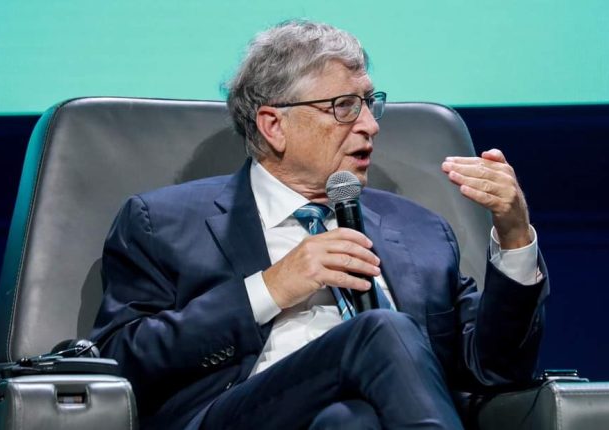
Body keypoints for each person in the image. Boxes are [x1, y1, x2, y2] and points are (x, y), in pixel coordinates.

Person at [90, 20, 548, 430]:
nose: (370, 125)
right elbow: (119, 360)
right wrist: (270, 288)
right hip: (237, 413)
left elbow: (495, 370)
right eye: (344, 106)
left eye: (369, 103)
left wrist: (514, 236)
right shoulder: (163, 222)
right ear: (274, 125)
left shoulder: (419, 231)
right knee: (380, 330)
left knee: (351, 420)